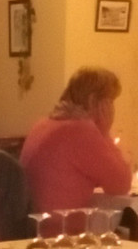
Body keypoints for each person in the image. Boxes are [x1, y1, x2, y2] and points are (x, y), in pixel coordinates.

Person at [20, 66, 131, 220]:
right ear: (93, 101)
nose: (112, 109)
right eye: (110, 102)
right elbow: (121, 184)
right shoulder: (80, 130)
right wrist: (105, 133)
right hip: (61, 229)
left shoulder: (43, 124)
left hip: (31, 225)